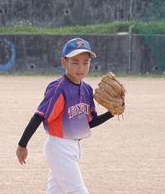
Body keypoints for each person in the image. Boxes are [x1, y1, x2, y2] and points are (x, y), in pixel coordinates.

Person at [16, 37, 118, 194]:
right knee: (78, 190)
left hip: (74, 148)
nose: (81, 67)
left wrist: (111, 113)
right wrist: (22, 145)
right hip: (59, 147)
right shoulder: (58, 89)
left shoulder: (87, 89)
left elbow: (88, 122)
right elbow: (39, 116)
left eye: (85, 62)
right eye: (75, 62)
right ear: (64, 63)